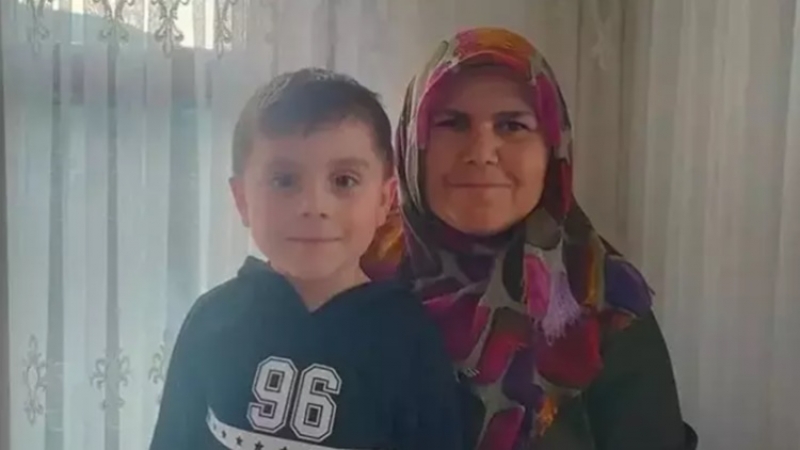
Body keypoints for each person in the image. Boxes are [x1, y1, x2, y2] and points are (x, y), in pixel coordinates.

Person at [362, 28, 698, 450]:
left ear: (552, 149)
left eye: (512, 125)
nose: (481, 151)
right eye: (452, 123)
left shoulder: (603, 302)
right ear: (413, 145)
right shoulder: (352, 277)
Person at [150, 68, 462, 450]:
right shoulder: (211, 319)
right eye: (284, 181)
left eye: (344, 180)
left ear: (385, 199)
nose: (314, 206)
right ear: (242, 199)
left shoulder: (411, 338)